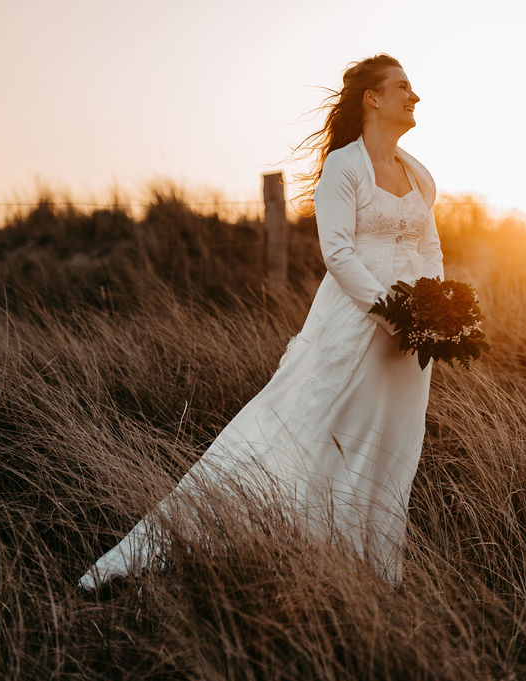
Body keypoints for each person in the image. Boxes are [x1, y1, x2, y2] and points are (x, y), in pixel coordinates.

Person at [78, 54, 442, 588]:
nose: (416, 96)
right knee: (321, 431)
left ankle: (371, 571)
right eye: (404, 87)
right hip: (359, 326)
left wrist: (436, 310)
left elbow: (430, 246)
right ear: (373, 98)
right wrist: (395, 314)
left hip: (414, 341)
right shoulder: (346, 167)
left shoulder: (419, 173)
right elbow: (338, 254)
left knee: (394, 439)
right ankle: (273, 546)